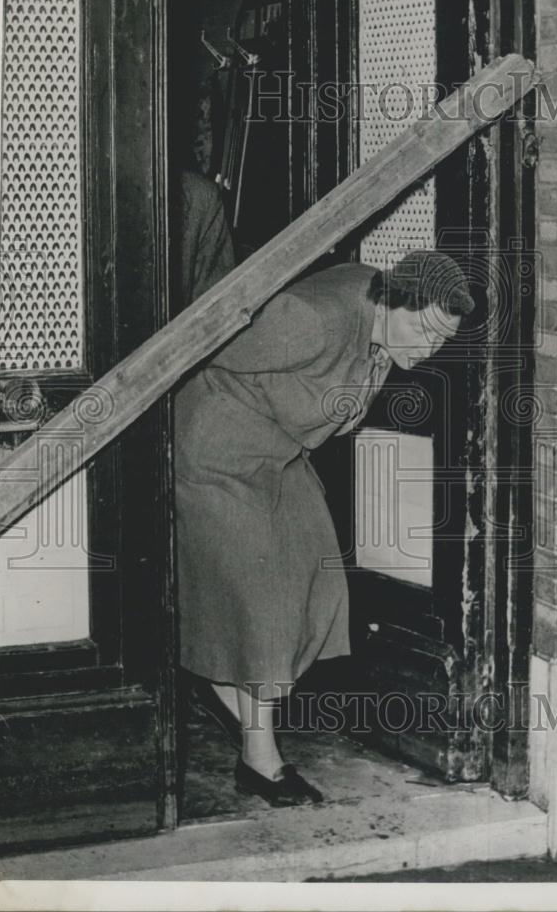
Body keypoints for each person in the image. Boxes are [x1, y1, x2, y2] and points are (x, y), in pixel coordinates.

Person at [174, 248, 475, 806]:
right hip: (215, 452)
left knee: (318, 576)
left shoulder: (383, 325)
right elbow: (198, 349)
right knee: (262, 599)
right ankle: (259, 759)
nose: (430, 349)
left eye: (442, 341)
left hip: (275, 455)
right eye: (426, 332)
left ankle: (223, 691)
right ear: (394, 303)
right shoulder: (310, 319)